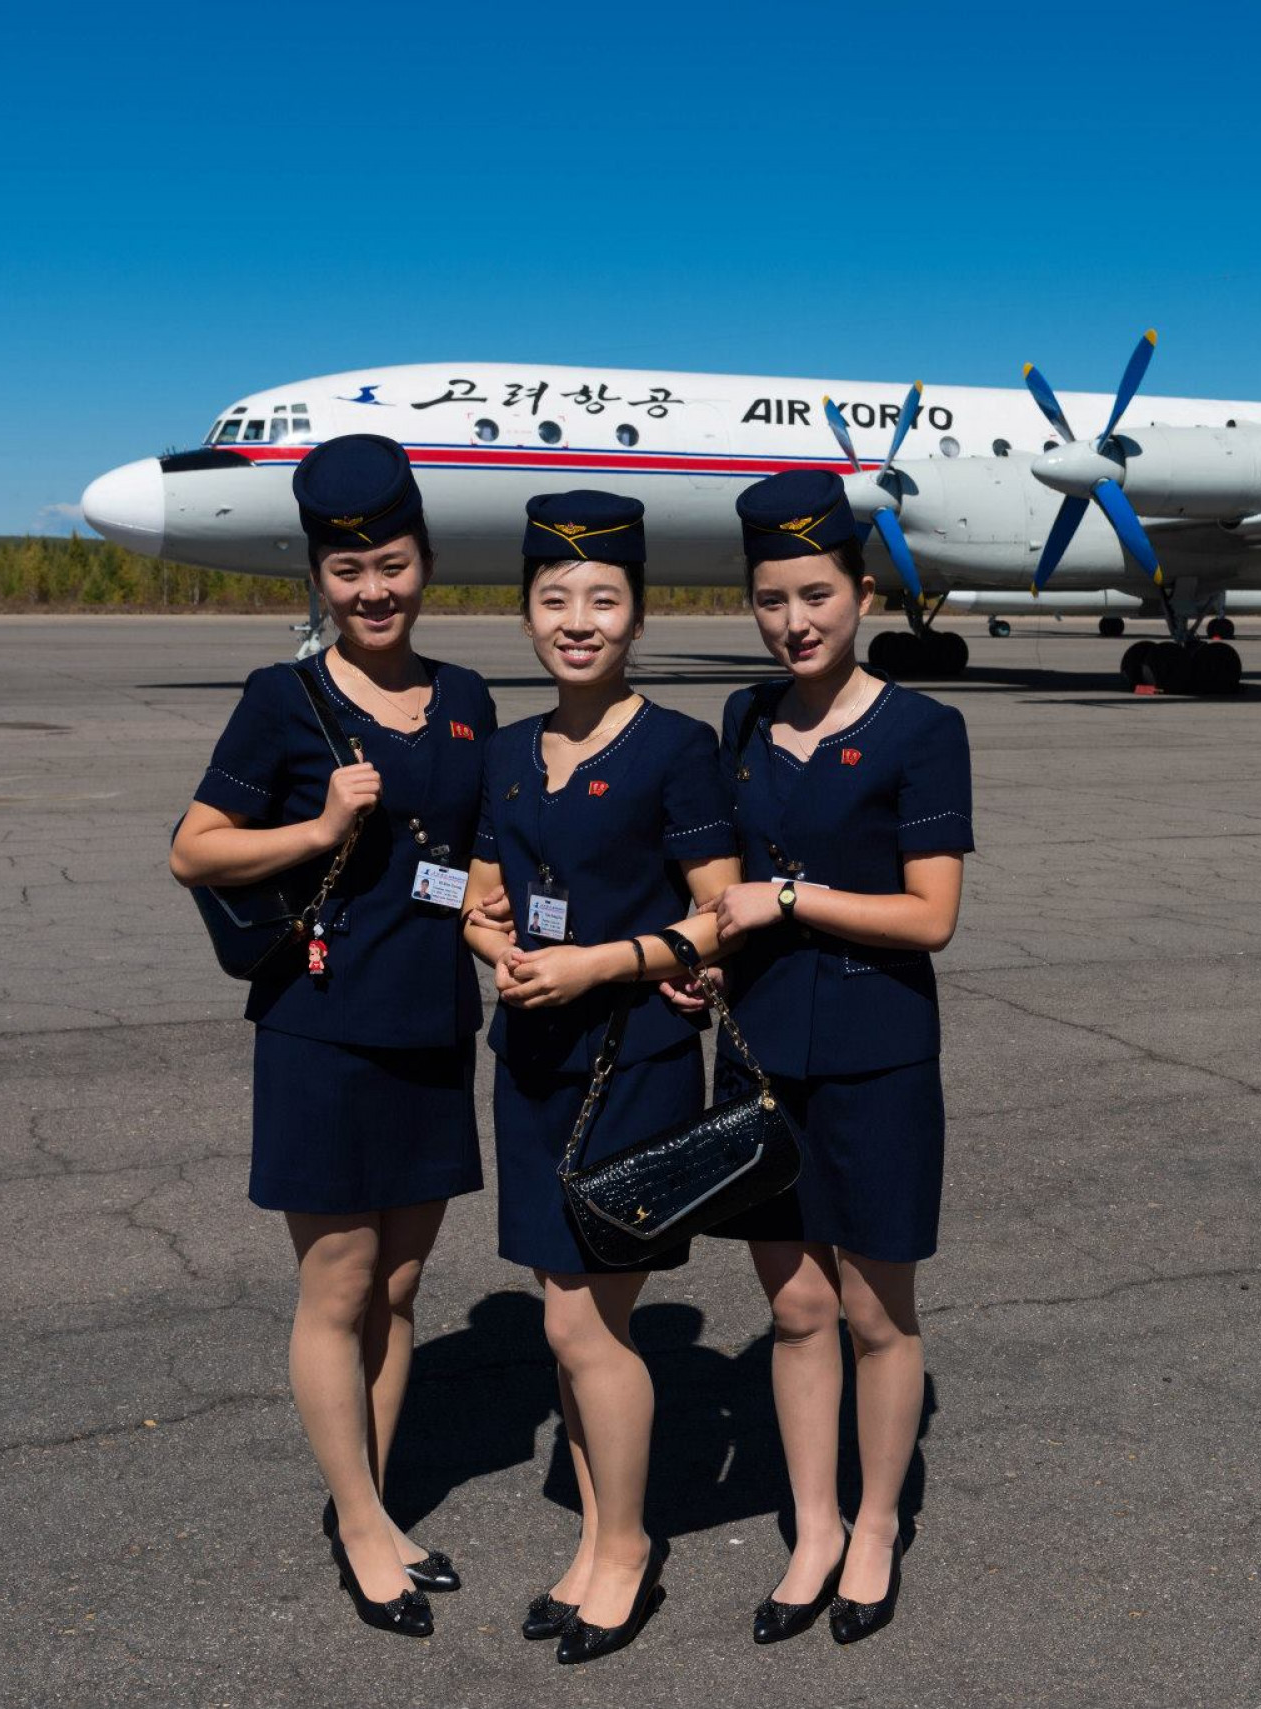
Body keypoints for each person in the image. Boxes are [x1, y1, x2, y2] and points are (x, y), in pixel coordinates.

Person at [168, 433, 496, 1639]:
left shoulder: (464, 700)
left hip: (431, 1021)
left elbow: (459, 870)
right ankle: (357, 1519)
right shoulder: (282, 698)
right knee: (338, 1280)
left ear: (425, 563)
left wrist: (513, 937)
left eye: (393, 564)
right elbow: (192, 847)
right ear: (319, 576)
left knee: (404, 1287)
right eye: (348, 569)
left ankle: (379, 1495)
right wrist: (312, 829)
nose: (374, 590)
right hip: (320, 1023)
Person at [460, 490, 743, 1665]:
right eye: (555, 600)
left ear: (637, 615)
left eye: (603, 601)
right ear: (526, 614)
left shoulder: (677, 748)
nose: (578, 620)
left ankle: (623, 1547)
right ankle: (592, 1538)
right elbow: (477, 899)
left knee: (583, 1321)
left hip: (628, 1063)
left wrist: (601, 965)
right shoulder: (508, 751)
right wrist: (505, 953)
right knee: (561, 1315)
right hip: (531, 1059)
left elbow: (718, 915)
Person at [705, 468, 973, 1646]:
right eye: (771, 599)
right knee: (795, 1303)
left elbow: (930, 917)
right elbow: (722, 886)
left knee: (874, 1307)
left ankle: (874, 1525)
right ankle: (810, 1524)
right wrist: (702, 949)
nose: (794, 620)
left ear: (861, 591)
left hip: (875, 1054)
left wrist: (793, 897)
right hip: (762, 1048)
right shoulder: (741, 720)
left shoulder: (922, 728)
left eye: (815, 593)